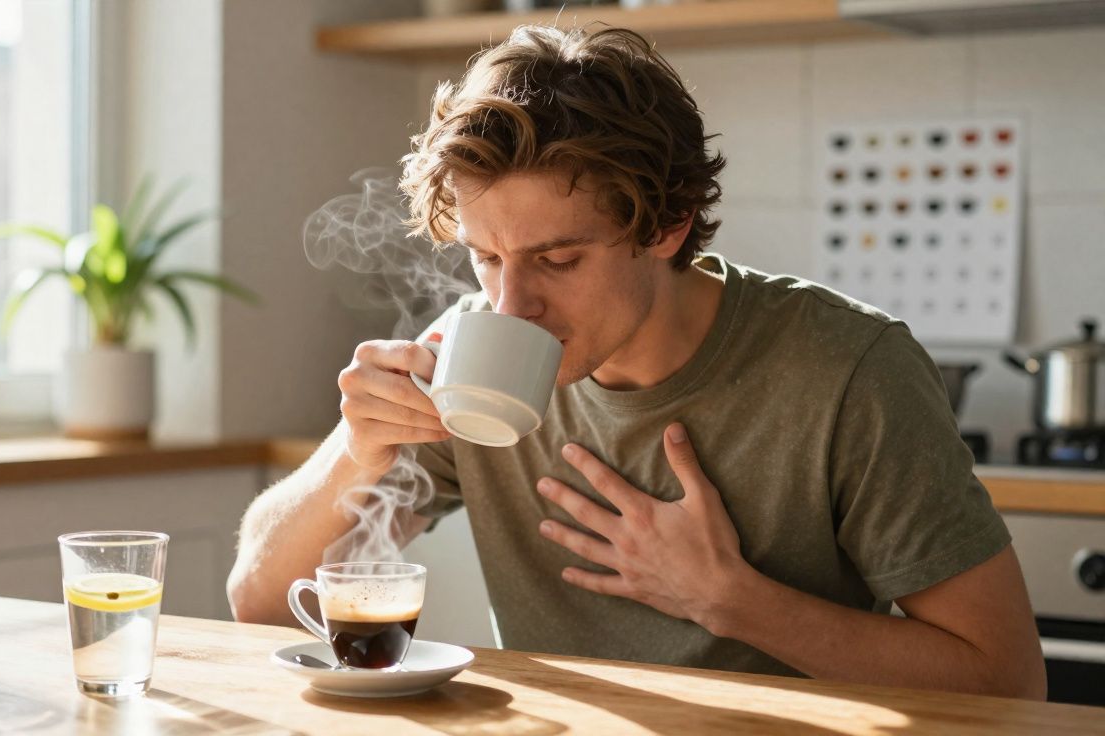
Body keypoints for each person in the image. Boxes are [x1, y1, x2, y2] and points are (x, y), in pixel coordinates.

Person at [229, 24, 1046, 699]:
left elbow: (1008, 683)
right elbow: (257, 603)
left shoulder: (849, 368)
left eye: (557, 260)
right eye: (485, 258)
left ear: (668, 225)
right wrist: (356, 452)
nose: (511, 305)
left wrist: (733, 601)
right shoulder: (469, 352)